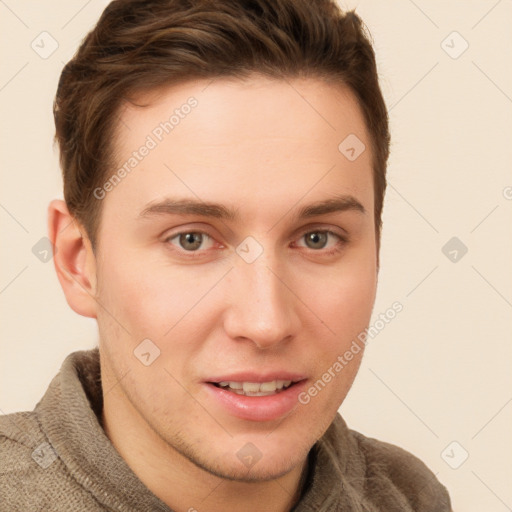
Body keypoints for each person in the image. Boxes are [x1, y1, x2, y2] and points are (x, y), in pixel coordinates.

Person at [0, 0, 452, 510]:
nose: (265, 323)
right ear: (79, 261)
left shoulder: (409, 497)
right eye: (191, 239)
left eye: (317, 238)